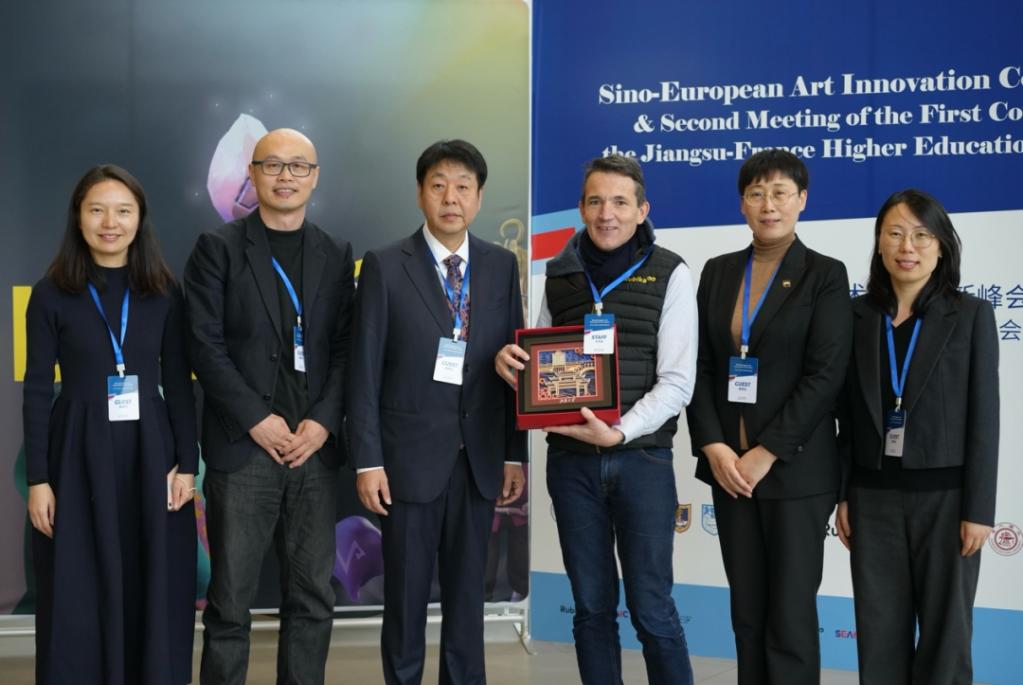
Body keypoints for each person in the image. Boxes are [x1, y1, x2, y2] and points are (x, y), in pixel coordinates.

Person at [496, 154, 697, 685]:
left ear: (642, 209)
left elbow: (677, 381)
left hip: (643, 461)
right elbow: (540, 368)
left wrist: (620, 431)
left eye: (620, 202)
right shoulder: (559, 273)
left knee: (652, 607)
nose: (607, 214)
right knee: (590, 608)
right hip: (572, 464)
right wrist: (513, 367)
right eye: (595, 201)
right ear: (582, 208)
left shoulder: (672, 272)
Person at [348, 139, 525, 685]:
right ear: (421, 194)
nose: (452, 198)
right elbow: (363, 370)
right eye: (439, 185)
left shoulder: (500, 265)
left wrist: (513, 454)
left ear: (479, 197)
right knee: (405, 600)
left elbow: (516, 363)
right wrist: (368, 461)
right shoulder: (385, 265)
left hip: (479, 459)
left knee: (469, 598)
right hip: (406, 462)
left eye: (463, 187)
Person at [184, 128, 355, 684]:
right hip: (244, 451)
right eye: (273, 165)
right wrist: (256, 419)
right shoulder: (218, 248)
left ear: (315, 177)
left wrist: (323, 423)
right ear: (252, 174)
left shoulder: (335, 253)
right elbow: (203, 345)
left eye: (298, 166)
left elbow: (347, 349)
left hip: (313, 452)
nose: (286, 176)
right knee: (230, 604)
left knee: (312, 600)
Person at [23, 164, 198, 685]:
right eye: (96, 210)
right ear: (78, 218)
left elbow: (180, 385)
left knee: (151, 575)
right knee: (77, 579)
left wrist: (187, 465)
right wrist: (39, 480)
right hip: (77, 451)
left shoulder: (163, 291)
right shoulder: (51, 293)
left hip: (151, 450)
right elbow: (36, 390)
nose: (110, 223)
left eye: (123, 211)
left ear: (139, 219)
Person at [685, 149, 852, 685]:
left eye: (781, 193)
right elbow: (699, 366)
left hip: (794, 472)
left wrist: (767, 451)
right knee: (748, 611)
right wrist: (713, 445)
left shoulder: (825, 275)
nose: (768, 205)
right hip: (729, 471)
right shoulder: (718, 272)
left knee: (790, 614)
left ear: (802, 200)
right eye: (756, 194)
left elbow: (825, 376)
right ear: (742, 203)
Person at [836, 189, 998, 685]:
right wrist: (844, 495)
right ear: (880, 243)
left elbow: (985, 417)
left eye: (922, 235)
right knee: (879, 632)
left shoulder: (969, 315)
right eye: (895, 233)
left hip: (946, 501)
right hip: (872, 498)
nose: (908, 246)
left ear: (942, 246)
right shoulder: (855, 317)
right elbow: (845, 417)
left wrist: (979, 510)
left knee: (947, 637)